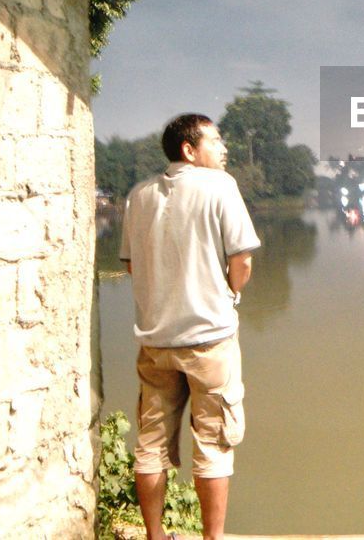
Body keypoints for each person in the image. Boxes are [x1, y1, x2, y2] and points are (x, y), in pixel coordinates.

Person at [119, 113, 261, 540]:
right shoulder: (221, 186)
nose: (224, 149)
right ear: (189, 149)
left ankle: (155, 536)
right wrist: (231, 294)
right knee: (214, 445)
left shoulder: (139, 195)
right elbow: (243, 261)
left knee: (151, 444)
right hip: (209, 341)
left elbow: (131, 265)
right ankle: (212, 539)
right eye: (215, 141)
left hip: (156, 342)